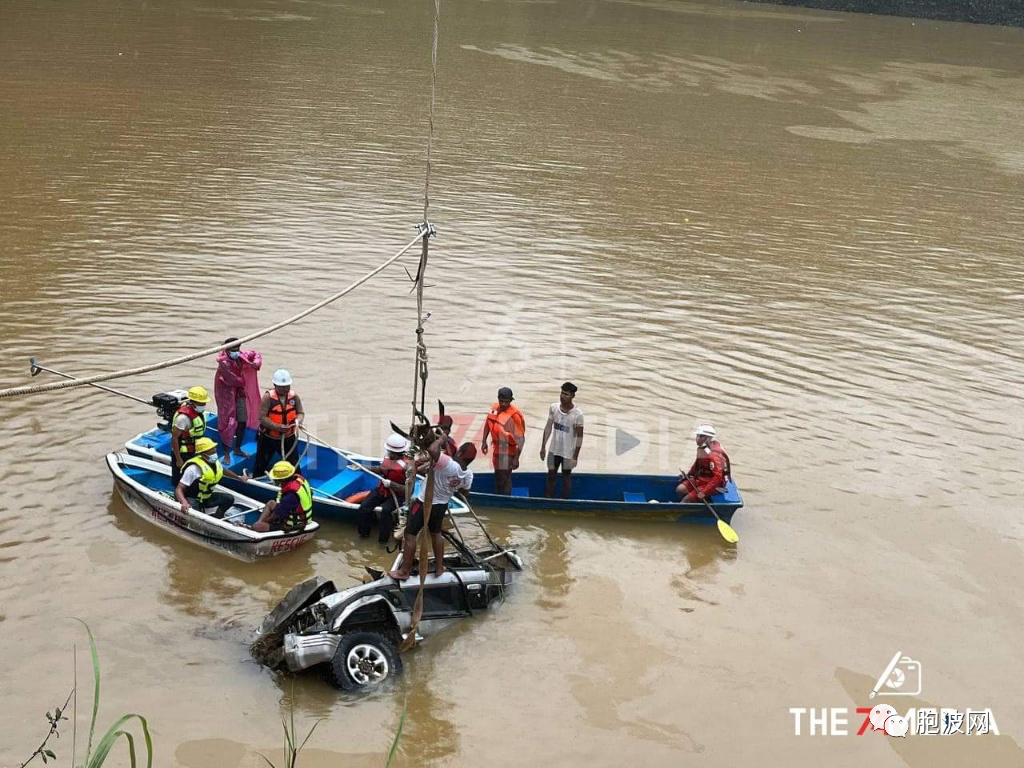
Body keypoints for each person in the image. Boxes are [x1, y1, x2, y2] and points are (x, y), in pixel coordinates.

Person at [388, 437, 477, 580]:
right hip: (441, 505)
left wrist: (441, 439)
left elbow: (432, 450)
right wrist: (452, 484)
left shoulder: (448, 463)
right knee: (436, 534)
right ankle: (439, 568)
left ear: (459, 453)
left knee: (410, 534)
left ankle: (404, 572)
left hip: (424, 503)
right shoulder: (468, 474)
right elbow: (465, 492)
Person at [174, 437, 249, 519]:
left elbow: (223, 470)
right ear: (203, 454)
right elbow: (179, 489)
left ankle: (218, 517)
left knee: (229, 498)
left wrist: (239, 478)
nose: (215, 451)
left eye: (214, 449)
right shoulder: (193, 468)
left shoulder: (214, 462)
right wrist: (184, 502)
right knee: (196, 515)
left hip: (206, 498)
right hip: (192, 498)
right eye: (211, 450)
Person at [214, 337, 262, 464]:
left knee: (242, 421)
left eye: (237, 349)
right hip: (226, 395)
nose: (236, 352)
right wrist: (245, 376)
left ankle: (237, 448)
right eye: (233, 350)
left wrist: (255, 363)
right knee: (227, 423)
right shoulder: (224, 362)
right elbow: (232, 380)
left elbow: (256, 354)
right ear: (227, 350)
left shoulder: (242, 356)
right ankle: (226, 453)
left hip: (240, 394)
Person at [356, 433, 410, 542]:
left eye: (391, 452)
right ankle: (364, 534)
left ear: (399, 453)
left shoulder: (408, 467)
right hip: (382, 490)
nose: (389, 454)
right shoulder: (388, 458)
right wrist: (363, 467)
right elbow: (381, 469)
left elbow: (408, 490)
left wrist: (391, 484)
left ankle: (383, 541)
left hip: (398, 494)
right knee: (364, 507)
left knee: (386, 512)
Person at [253, 369, 305, 478]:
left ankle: (297, 483)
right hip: (268, 437)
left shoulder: (294, 397)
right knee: (261, 463)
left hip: (288, 437)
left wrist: (298, 421)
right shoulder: (268, 398)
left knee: (294, 464)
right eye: (282, 387)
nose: (285, 389)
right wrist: (278, 427)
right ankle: (256, 479)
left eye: (287, 386)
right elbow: (262, 417)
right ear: (275, 385)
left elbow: (300, 412)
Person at [539, 382, 584, 498]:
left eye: (566, 394)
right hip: (554, 450)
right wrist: (543, 446)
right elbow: (548, 427)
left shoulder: (578, 415)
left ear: (572, 396)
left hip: (568, 453)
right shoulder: (554, 408)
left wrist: (575, 456)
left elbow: (579, 437)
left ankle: (565, 501)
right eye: (562, 393)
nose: (563, 396)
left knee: (566, 478)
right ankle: (548, 499)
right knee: (551, 476)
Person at [480, 386, 525, 495]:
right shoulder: (494, 408)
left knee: (505, 476)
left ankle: (505, 499)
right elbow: (488, 423)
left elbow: (521, 439)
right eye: (501, 401)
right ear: (498, 399)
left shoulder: (515, 416)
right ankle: (498, 496)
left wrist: (516, 458)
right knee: (498, 475)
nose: (504, 404)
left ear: (510, 401)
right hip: (496, 448)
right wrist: (484, 441)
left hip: (508, 450)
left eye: (507, 402)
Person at [252, 460, 314, 532]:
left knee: (257, 526)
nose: (274, 480)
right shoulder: (299, 480)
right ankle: (260, 522)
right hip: (299, 515)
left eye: (275, 478)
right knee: (271, 503)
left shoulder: (290, 496)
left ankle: (258, 525)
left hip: (294, 524)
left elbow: (277, 515)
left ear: (282, 479)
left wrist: (265, 521)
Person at [676, 424, 732, 503]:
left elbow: (718, 478)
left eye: (701, 436)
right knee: (680, 489)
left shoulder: (714, 455)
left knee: (686, 500)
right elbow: (697, 464)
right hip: (702, 479)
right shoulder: (703, 448)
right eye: (697, 436)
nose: (698, 439)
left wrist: (704, 492)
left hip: (714, 485)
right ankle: (692, 502)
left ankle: (687, 507)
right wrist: (688, 475)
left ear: (709, 438)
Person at [170, 385, 211, 490]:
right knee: (180, 477)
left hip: (195, 450)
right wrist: (178, 459)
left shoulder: (198, 413)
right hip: (183, 453)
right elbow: (174, 438)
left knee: (194, 476)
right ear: (193, 402)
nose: (203, 405)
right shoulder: (183, 418)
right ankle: (178, 496)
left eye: (204, 403)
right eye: (201, 403)